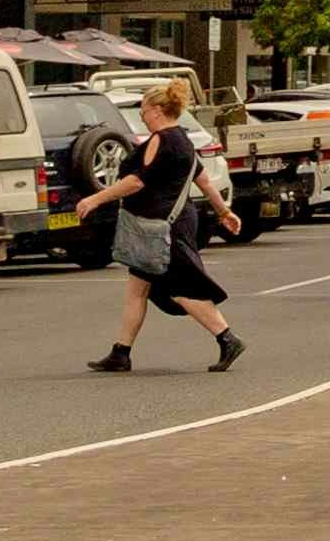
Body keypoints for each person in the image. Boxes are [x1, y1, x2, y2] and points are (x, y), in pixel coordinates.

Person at [87, 77, 244, 376]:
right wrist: (224, 211)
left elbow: (136, 182)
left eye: (144, 110)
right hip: (167, 223)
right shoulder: (181, 139)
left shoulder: (163, 140)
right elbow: (203, 179)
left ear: (157, 110)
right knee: (138, 289)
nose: (143, 116)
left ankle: (227, 338)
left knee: (180, 288)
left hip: (162, 228)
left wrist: (95, 199)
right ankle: (121, 353)